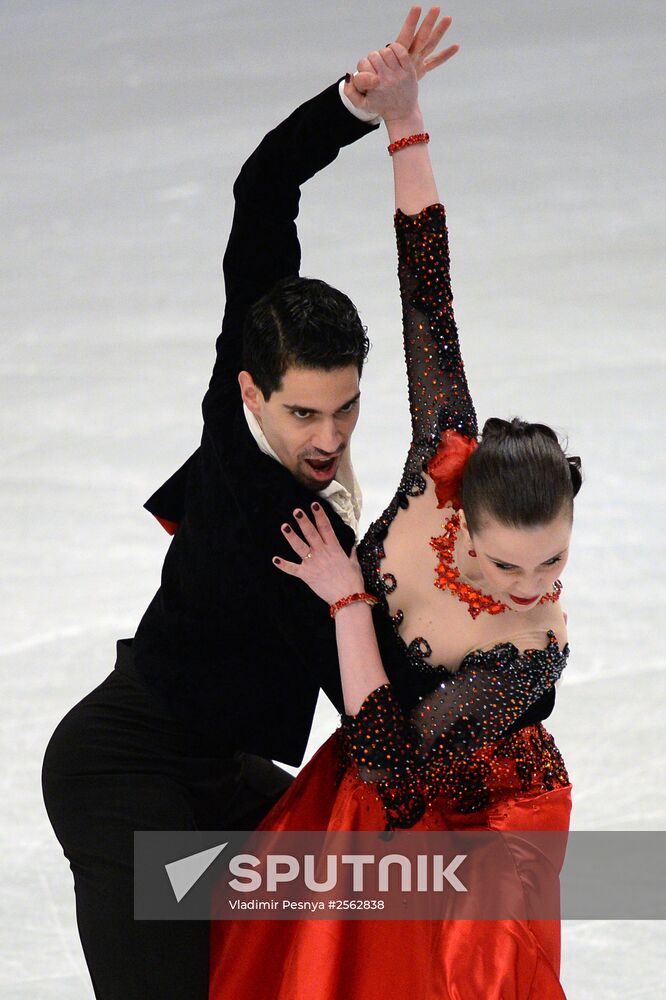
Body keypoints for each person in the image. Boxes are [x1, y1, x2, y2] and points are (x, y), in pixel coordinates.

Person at [39, 23, 434, 999]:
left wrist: (362, 107)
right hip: (122, 781)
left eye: (346, 408)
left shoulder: (244, 376)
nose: (328, 438)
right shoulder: (289, 535)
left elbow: (264, 186)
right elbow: (381, 719)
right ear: (256, 394)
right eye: (304, 412)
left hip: (212, 774)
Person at [210, 9, 578, 999]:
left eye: (554, 566)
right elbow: (428, 285)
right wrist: (403, 120)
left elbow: (393, 764)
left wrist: (345, 600)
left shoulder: (526, 651)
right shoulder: (439, 452)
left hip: (466, 820)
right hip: (379, 782)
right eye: (512, 566)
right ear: (463, 508)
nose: (535, 590)